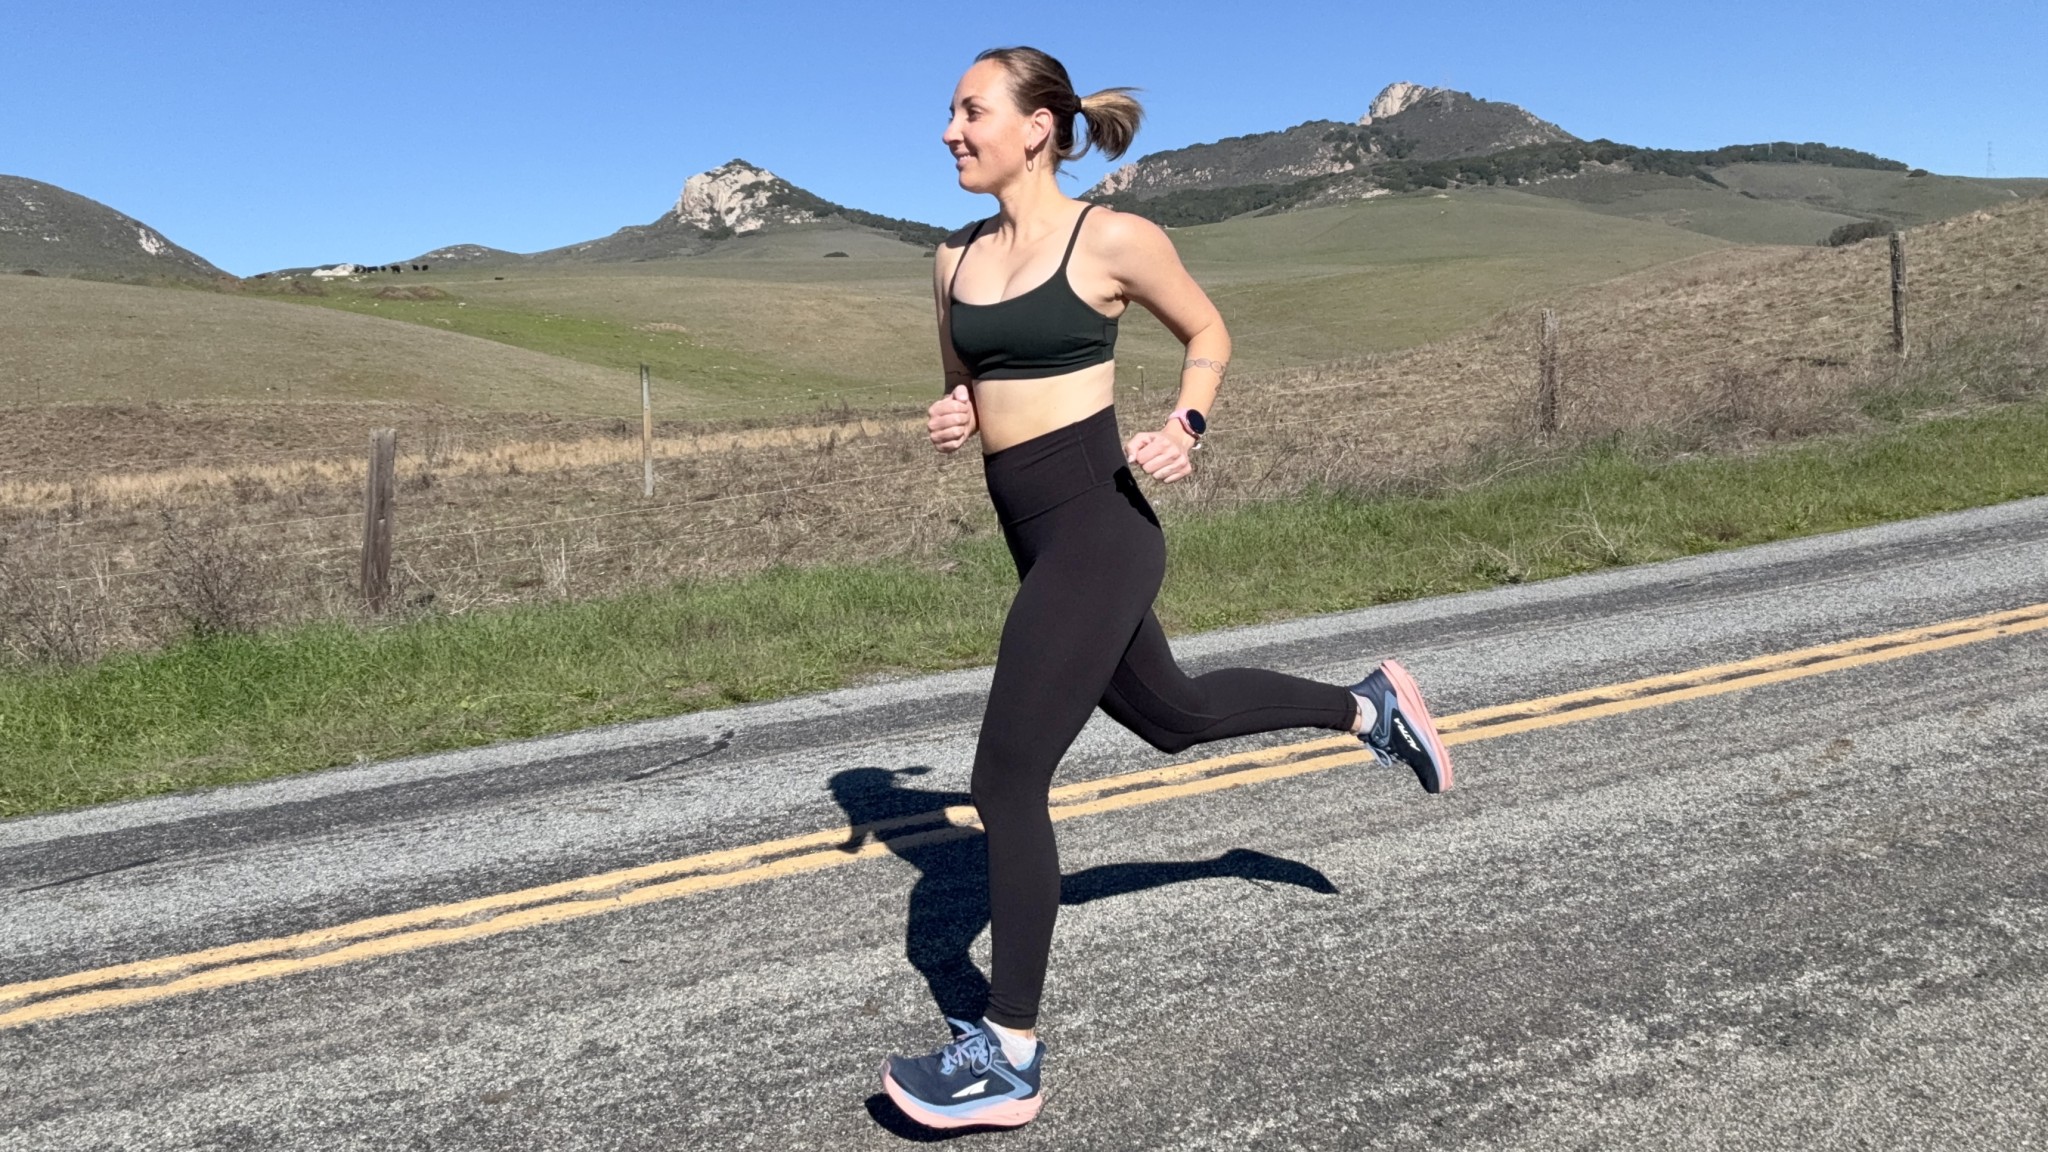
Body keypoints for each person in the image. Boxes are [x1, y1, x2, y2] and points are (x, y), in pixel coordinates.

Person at [880, 46, 1454, 1131]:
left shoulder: (1111, 239)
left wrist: (1186, 424)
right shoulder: (950, 259)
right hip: (1034, 538)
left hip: (1101, 533)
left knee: (1005, 780)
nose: (949, 130)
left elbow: (1207, 333)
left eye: (970, 111)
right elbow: (963, 382)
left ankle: (1009, 1053)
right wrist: (954, 411)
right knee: (1173, 716)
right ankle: (1367, 708)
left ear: (1037, 128)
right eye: (949, 113)